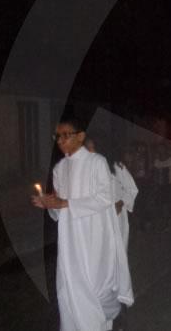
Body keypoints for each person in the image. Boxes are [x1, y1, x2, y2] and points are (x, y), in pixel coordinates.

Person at [31, 117, 133, 331]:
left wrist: (64, 202)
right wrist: (49, 204)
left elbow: (105, 197)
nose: (60, 140)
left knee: (99, 288)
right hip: (71, 243)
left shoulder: (97, 162)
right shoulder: (60, 168)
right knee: (72, 290)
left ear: (80, 136)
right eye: (56, 136)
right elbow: (59, 213)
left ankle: (109, 321)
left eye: (65, 135)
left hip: (96, 237)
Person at [85, 137, 139, 252]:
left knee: (116, 252)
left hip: (116, 216)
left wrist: (120, 202)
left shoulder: (116, 166)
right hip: (96, 219)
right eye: (87, 149)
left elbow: (131, 189)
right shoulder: (85, 170)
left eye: (92, 148)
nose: (89, 152)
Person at [153, 144, 171, 230]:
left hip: (170, 184)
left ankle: (170, 221)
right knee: (161, 203)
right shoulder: (157, 161)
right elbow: (155, 174)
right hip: (160, 185)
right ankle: (163, 221)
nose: (161, 150)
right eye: (159, 149)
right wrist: (155, 185)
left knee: (169, 203)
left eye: (162, 148)